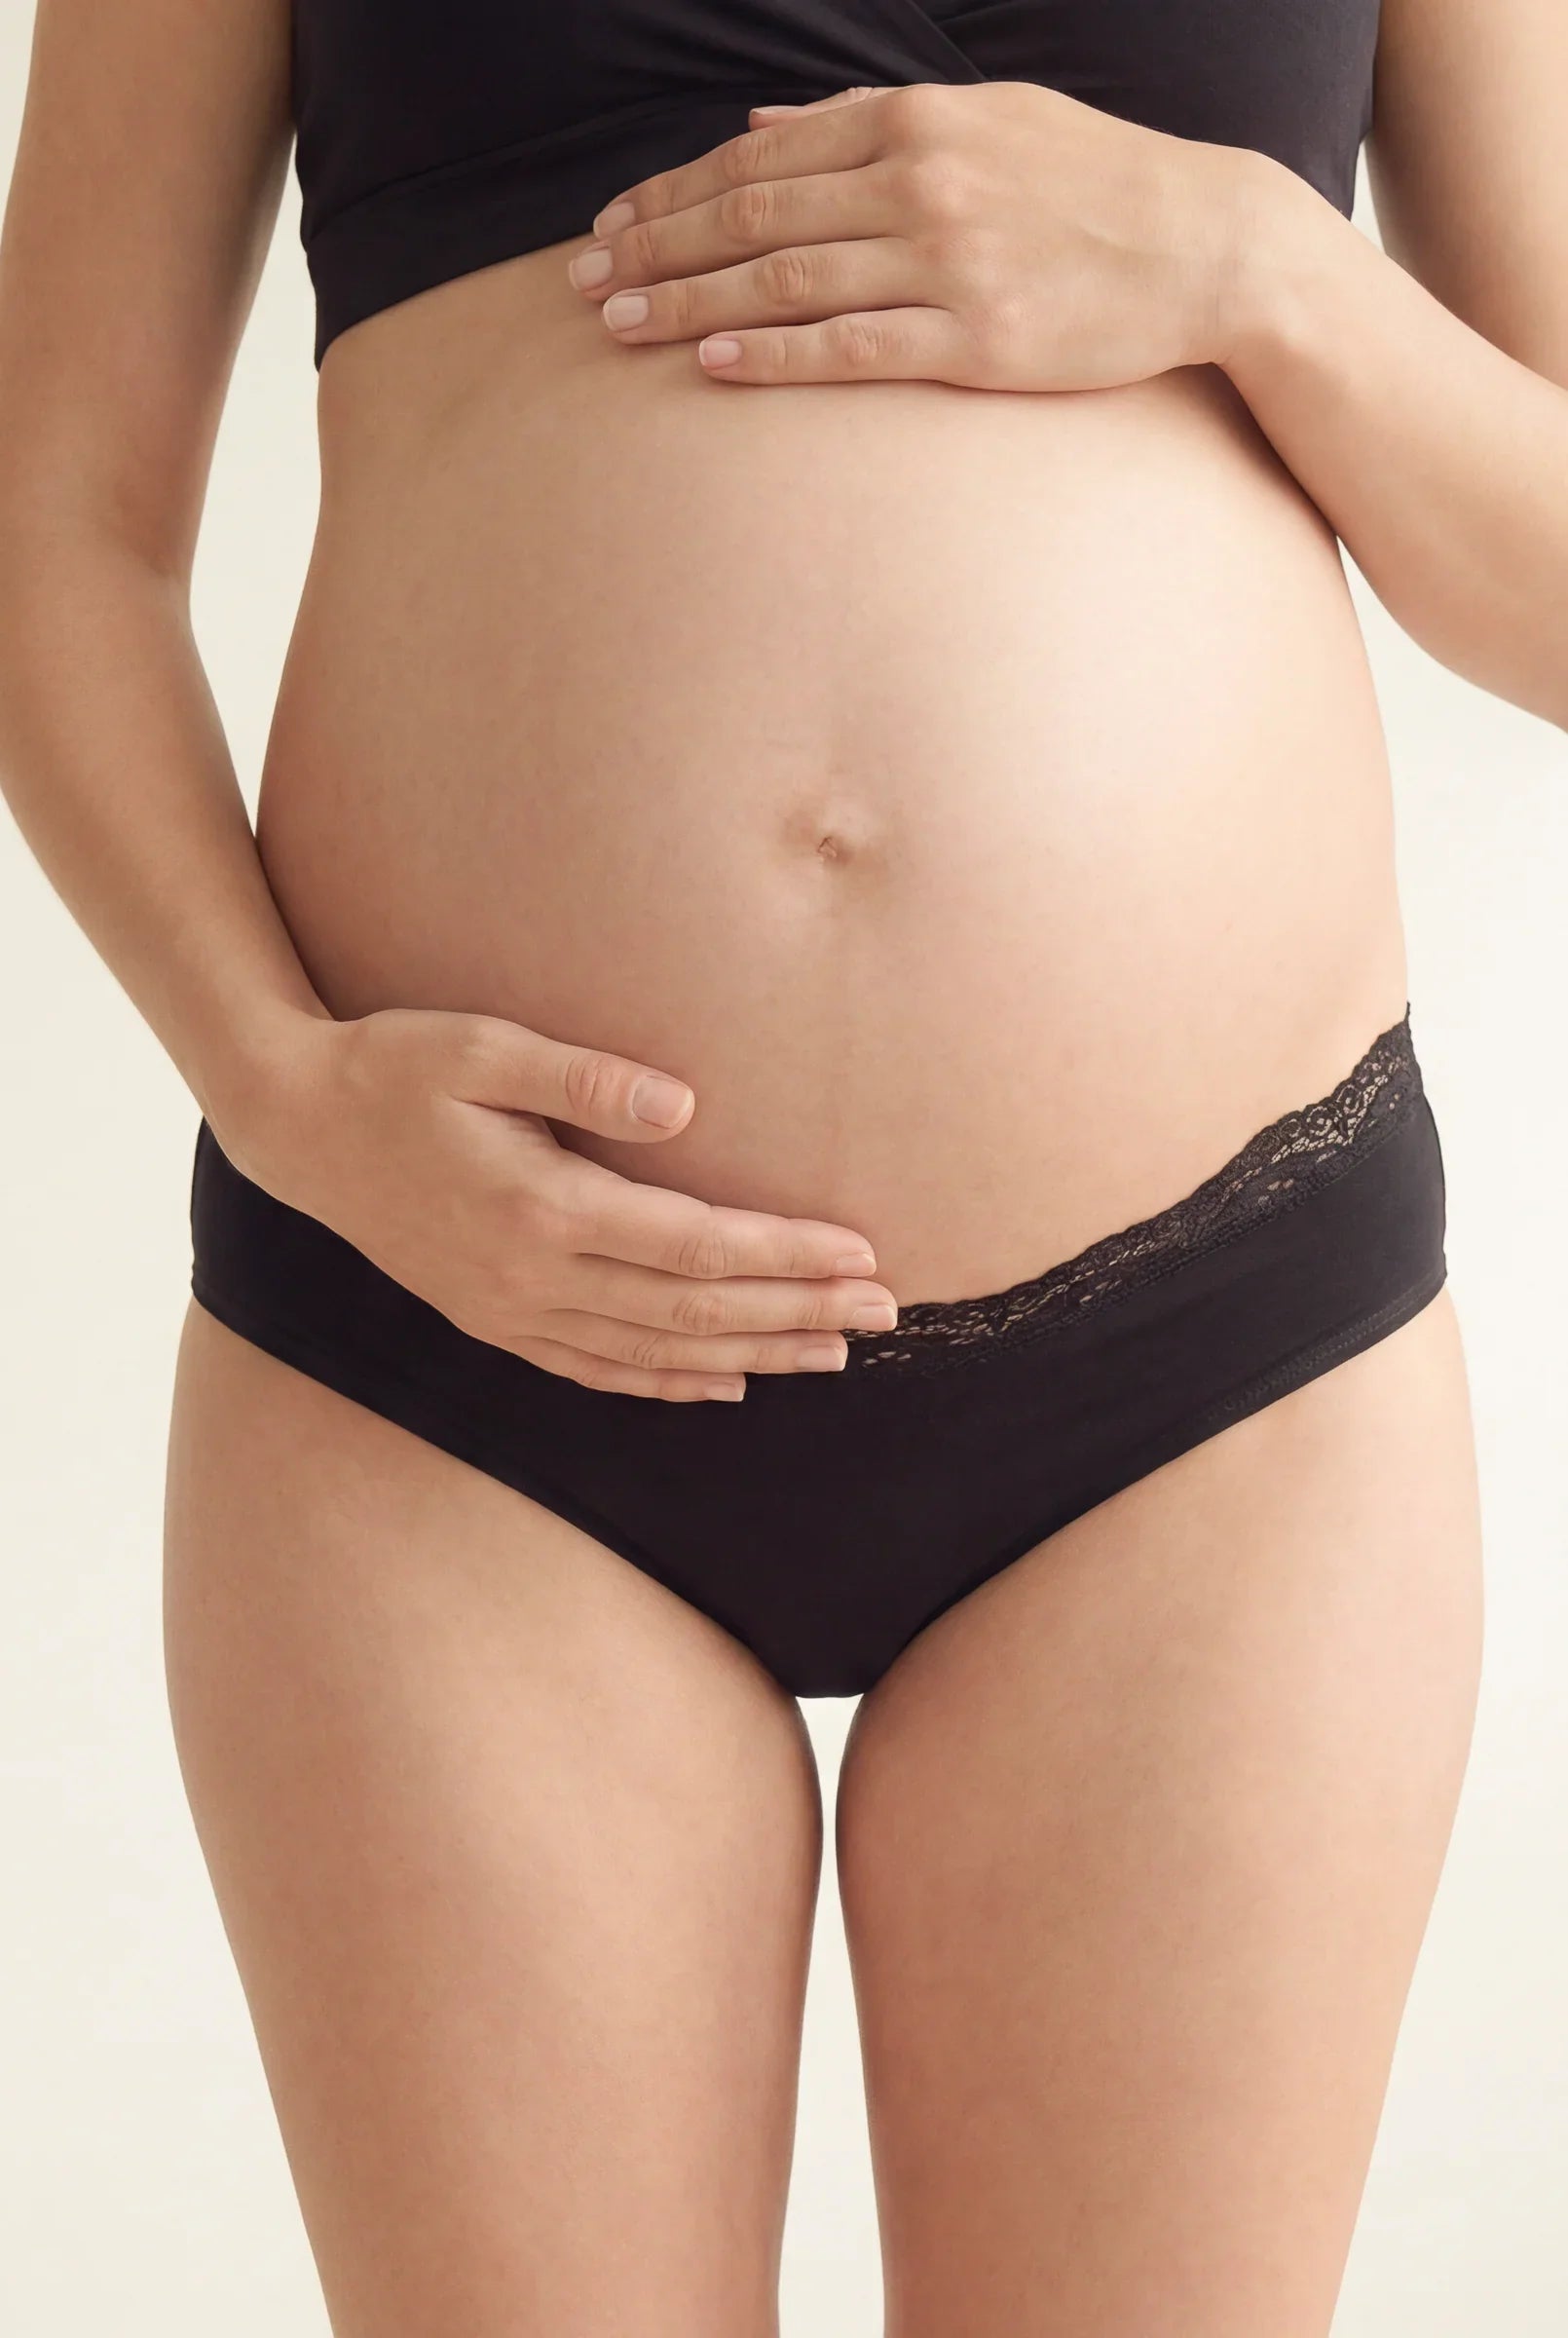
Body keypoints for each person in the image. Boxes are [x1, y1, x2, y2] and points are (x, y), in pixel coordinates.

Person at [0, 1, 1562, 2329]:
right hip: (446, 1367)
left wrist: (1255, 264)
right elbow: (53, 521)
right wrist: (272, 1087)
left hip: (1213, 1391)